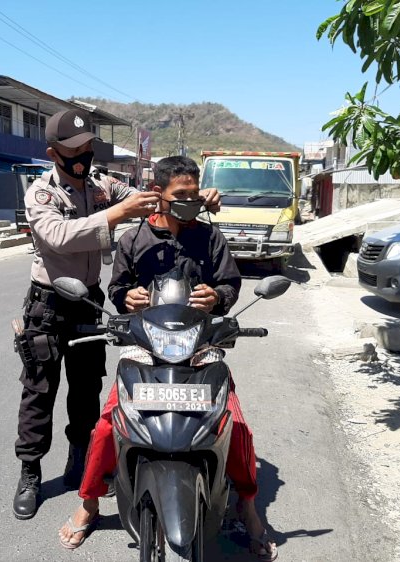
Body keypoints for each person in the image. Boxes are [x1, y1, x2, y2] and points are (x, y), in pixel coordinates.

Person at [57, 156, 278, 561]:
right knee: (108, 427)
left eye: (195, 195)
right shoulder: (133, 239)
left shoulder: (209, 238)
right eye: (182, 196)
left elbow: (230, 283)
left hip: (200, 346)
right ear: (158, 195)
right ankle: (90, 502)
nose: (190, 202)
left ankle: (247, 506)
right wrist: (127, 298)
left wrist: (218, 297)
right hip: (145, 346)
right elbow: (117, 288)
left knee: (237, 426)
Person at [11, 109, 221, 521]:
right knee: (39, 392)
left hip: (88, 300)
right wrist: (113, 216)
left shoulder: (100, 183)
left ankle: (80, 461)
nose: (84, 155)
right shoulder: (41, 193)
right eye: (75, 150)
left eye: (88, 147)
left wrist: (198, 200)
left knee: (87, 389)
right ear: (54, 153)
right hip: (49, 303)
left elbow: (153, 197)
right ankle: (30, 472)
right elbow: (58, 235)